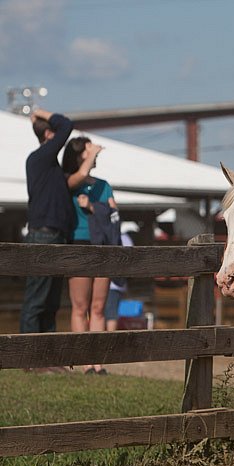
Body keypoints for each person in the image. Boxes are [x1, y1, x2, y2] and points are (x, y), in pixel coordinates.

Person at [20, 108, 75, 336]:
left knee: (51, 301)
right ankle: (29, 356)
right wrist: (38, 112)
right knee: (37, 299)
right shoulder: (41, 156)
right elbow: (66, 125)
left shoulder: (48, 163)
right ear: (49, 135)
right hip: (44, 234)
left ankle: (46, 355)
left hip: (53, 234)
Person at [62, 136, 113, 374]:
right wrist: (91, 151)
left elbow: (114, 213)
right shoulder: (71, 181)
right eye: (88, 150)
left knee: (99, 306)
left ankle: (98, 361)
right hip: (79, 243)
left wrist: (94, 207)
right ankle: (83, 362)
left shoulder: (104, 184)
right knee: (80, 306)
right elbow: (77, 178)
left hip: (102, 245)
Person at [105, 232, 134, 333]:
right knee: (110, 313)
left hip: (113, 284)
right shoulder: (124, 237)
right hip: (116, 284)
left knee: (110, 314)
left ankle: (110, 338)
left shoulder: (123, 237)